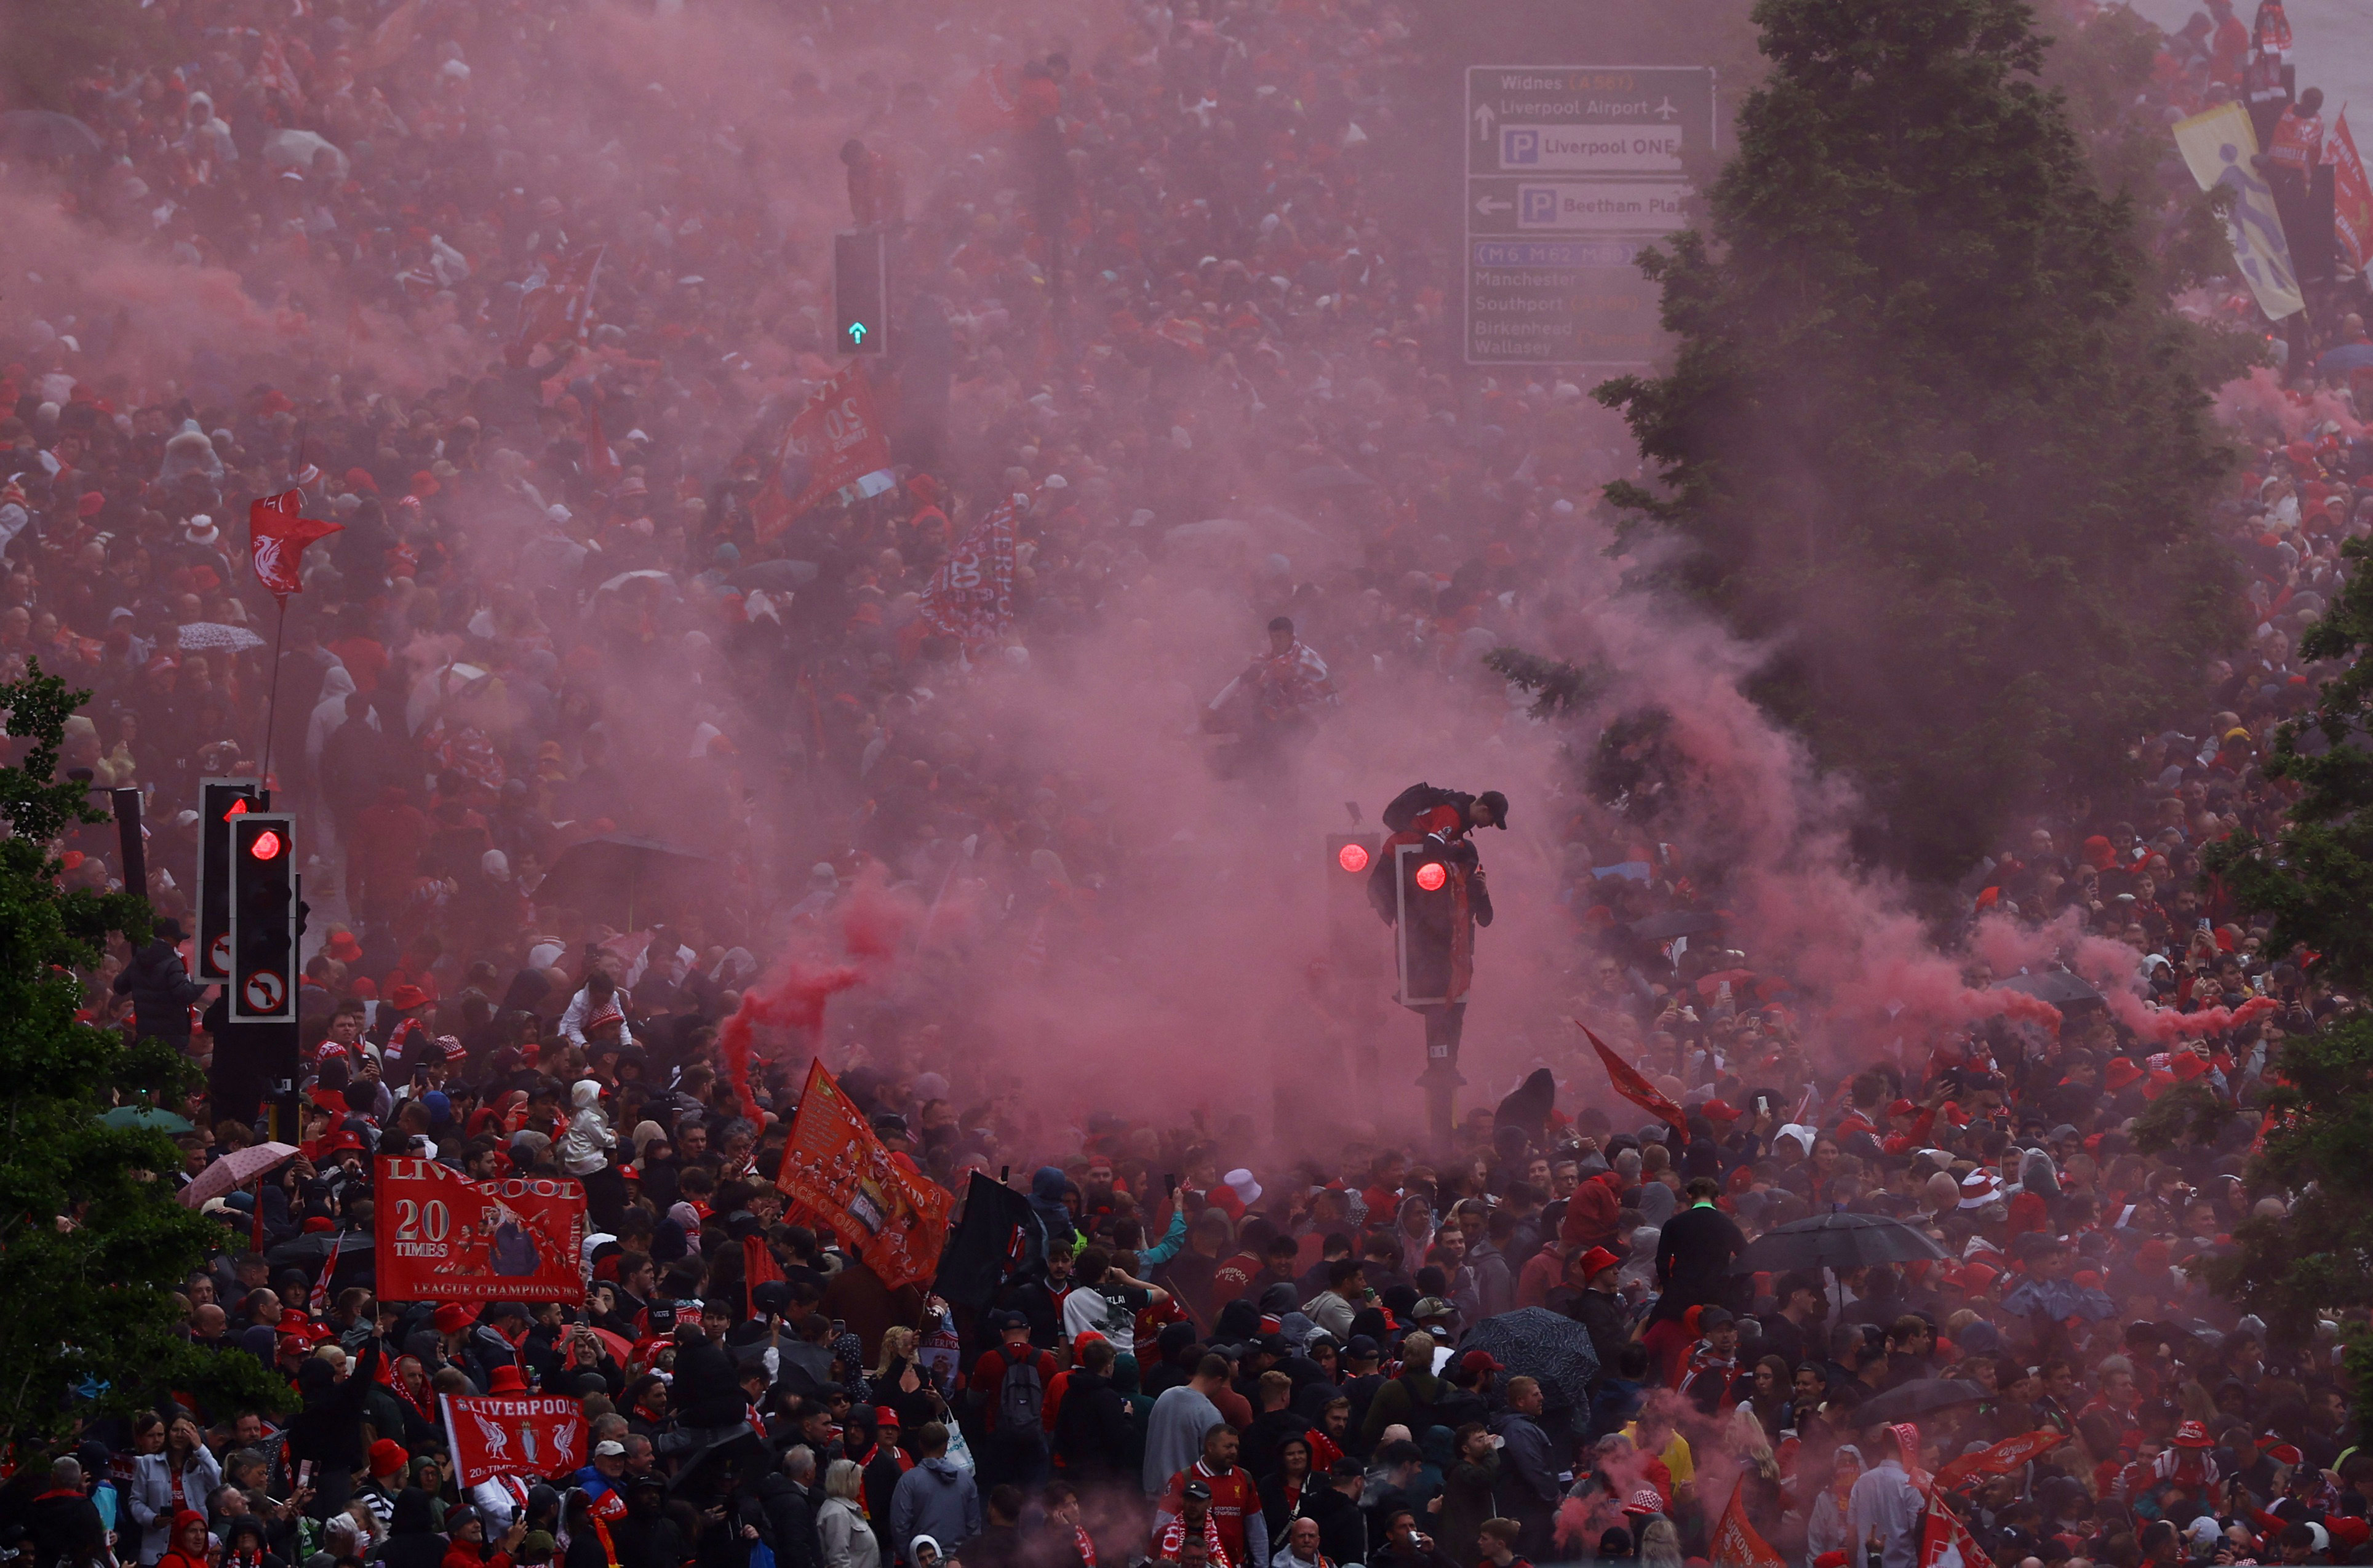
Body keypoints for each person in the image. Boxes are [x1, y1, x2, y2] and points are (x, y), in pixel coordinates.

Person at [887, 1424, 979, 1567]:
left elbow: (900, 1525)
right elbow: (974, 1526)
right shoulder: (966, 1480)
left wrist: (911, 1557)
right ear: (946, 1446)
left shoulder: (908, 1481)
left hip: (923, 1561)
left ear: (920, 1445)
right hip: (957, 1560)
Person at [1491, 1377, 1560, 1561]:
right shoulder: (1519, 1430)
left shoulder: (1521, 1426)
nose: (1542, 1398)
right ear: (1520, 1401)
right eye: (1535, 1394)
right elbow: (1534, 1467)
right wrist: (1554, 1495)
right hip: (1529, 1511)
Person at [818, 1460, 882, 1568]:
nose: (861, 1483)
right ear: (848, 1482)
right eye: (858, 1479)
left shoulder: (844, 1508)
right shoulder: (837, 1513)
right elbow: (838, 1559)